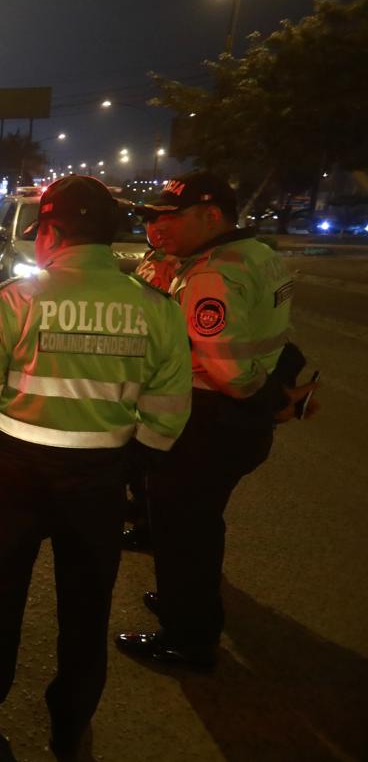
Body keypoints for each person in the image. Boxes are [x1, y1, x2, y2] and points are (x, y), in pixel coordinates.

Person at [0, 175, 192, 759]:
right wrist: (133, 466)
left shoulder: (15, 299)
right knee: (86, 605)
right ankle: (70, 721)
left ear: (50, 231)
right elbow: (168, 411)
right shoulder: (156, 307)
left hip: (16, 474)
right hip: (100, 479)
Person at [116, 172, 319, 670]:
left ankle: (188, 637)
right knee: (200, 523)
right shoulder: (260, 255)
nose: (162, 226)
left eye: (171, 216)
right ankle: (189, 602)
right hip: (235, 422)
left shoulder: (212, 273)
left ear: (210, 216)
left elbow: (230, 371)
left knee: (184, 528)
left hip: (209, 418)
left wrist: (269, 400)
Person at [122, 217, 180, 551]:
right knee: (135, 451)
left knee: (150, 454)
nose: (156, 229)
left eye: (164, 223)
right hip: (140, 361)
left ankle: (149, 525)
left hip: (158, 363)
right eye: (151, 223)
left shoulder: (178, 263)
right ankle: (139, 505)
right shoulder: (153, 257)